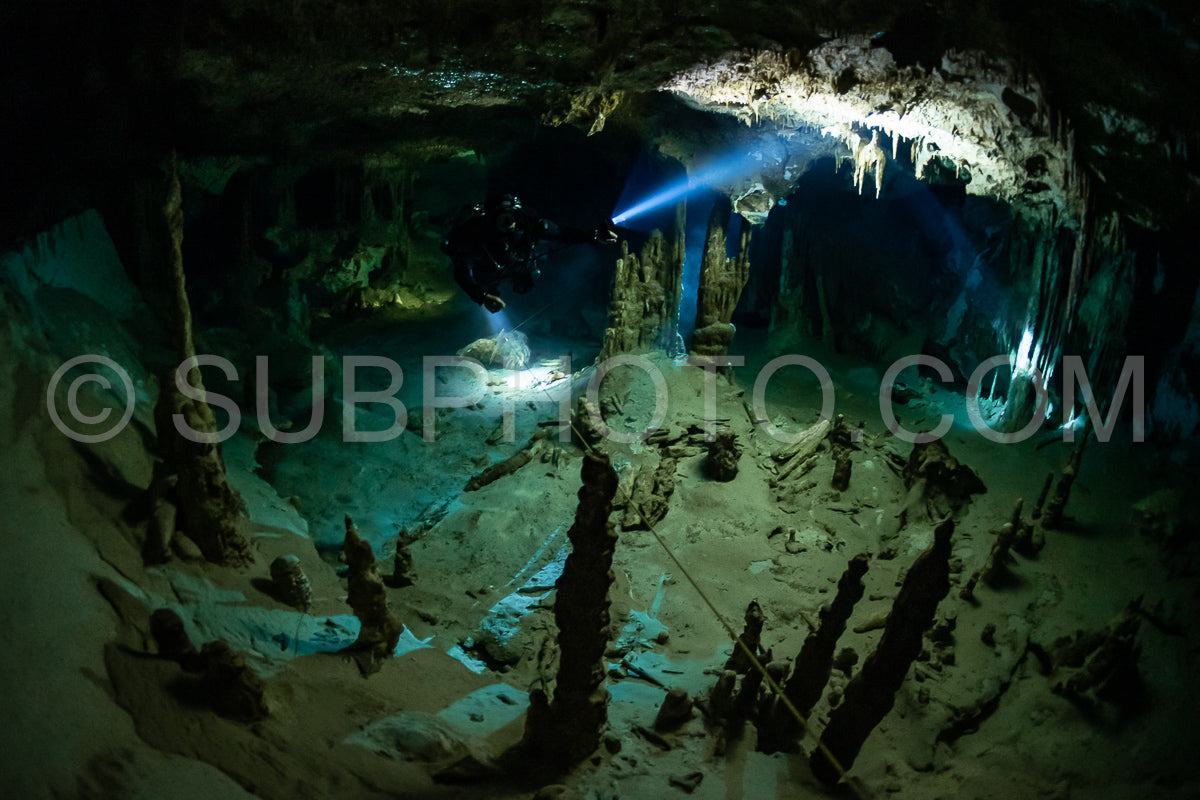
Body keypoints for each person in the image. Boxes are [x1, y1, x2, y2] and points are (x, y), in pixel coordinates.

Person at [442, 193, 617, 312]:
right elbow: (461, 273)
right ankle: (492, 290)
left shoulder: (527, 223)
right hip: (488, 272)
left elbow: (562, 233)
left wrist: (593, 235)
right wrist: (482, 295)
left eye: (511, 216)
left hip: (514, 264)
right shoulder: (474, 233)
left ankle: (513, 283)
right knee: (488, 285)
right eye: (501, 218)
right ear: (489, 219)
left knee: (526, 283)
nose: (509, 223)